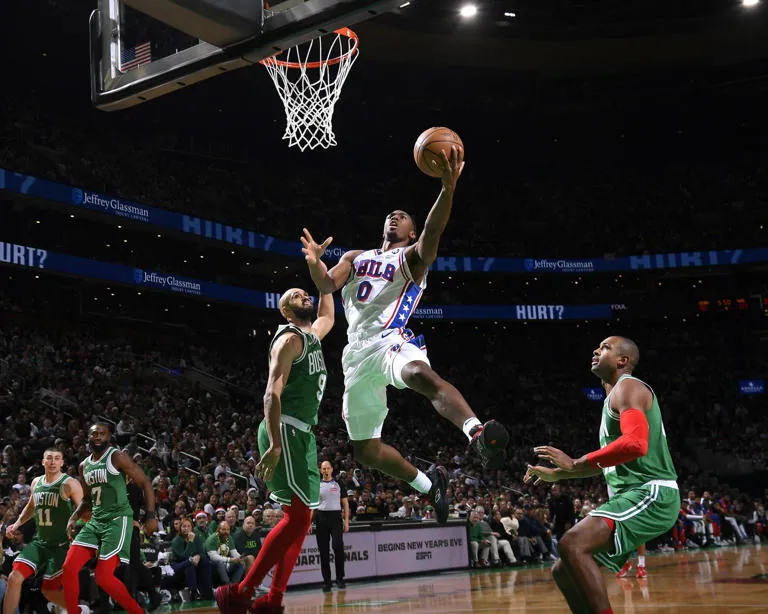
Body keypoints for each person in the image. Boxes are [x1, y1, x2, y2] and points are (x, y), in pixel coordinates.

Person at [300, 146, 509, 524]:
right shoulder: (355, 258)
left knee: (418, 374)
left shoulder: (411, 256)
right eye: (391, 215)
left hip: (391, 340)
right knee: (365, 452)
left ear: (411, 230)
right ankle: (430, 486)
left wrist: (448, 188)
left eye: (403, 217)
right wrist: (315, 262)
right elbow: (327, 284)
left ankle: (476, 433)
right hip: (356, 355)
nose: (395, 218)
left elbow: (433, 232)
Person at [524, 336, 679, 614]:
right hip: (634, 494)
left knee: (572, 543)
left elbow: (636, 444)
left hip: (652, 493)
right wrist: (559, 474)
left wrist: (575, 462)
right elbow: (607, 461)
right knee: (564, 570)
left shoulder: (628, 387)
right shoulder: (614, 398)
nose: (596, 349)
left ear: (623, 361)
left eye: (605, 347)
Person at [215, 288, 334, 614]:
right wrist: (276, 445)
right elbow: (270, 394)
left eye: (303, 292)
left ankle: (274, 599)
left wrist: (322, 278)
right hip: (285, 429)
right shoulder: (289, 340)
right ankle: (242, 591)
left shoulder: (312, 336)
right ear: (285, 311)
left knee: (301, 518)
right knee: (296, 518)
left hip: (303, 434)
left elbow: (328, 316)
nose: (302, 294)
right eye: (294, 295)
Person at [62, 422, 159, 614]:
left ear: (109, 437)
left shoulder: (117, 457)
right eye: (93, 433)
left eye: (102, 433)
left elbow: (145, 482)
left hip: (117, 520)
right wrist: (73, 517)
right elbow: (88, 499)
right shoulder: (84, 466)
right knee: (69, 567)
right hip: (96, 521)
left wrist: (150, 516)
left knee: (103, 577)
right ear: (87, 438)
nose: (98, 436)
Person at [3, 447, 84, 614]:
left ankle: (77, 610)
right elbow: (32, 506)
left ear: (62, 462)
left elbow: (86, 510)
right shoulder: (36, 482)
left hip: (62, 545)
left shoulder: (70, 483)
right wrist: (17, 524)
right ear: (43, 462)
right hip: (40, 542)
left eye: (56, 458)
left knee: (49, 591)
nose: (53, 461)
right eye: (49, 458)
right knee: (14, 578)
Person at [312, 461, 349, 592]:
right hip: (321, 518)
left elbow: (345, 503)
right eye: (323, 468)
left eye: (328, 468)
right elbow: (313, 506)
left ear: (332, 469)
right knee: (324, 552)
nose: (326, 470)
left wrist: (347, 521)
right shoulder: (317, 485)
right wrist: (309, 522)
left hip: (336, 519)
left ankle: (340, 579)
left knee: (337, 547)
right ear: (320, 470)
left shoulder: (339, 484)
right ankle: (327, 582)